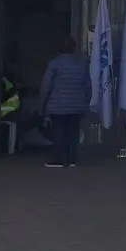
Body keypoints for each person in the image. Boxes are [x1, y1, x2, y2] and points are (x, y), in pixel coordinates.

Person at [38, 36, 92, 169]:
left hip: (58, 105)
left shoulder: (54, 64)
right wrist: (85, 102)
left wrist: (41, 105)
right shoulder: (82, 64)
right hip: (77, 105)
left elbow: (46, 86)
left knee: (58, 132)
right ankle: (72, 158)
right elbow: (88, 86)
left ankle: (59, 159)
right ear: (74, 48)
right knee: (73, 132)